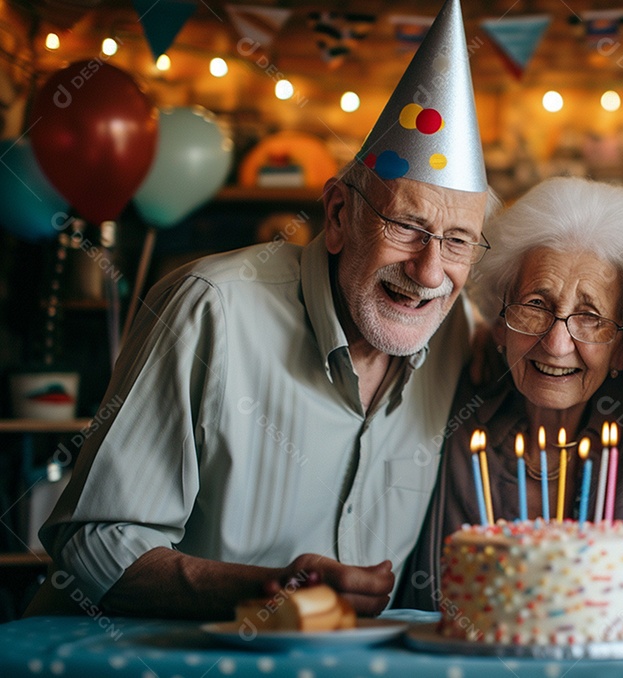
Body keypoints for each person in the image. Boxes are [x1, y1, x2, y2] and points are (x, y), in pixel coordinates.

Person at [30, 0, 495, 620]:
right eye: (406, 226)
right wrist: (265, 590)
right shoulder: (209, 309)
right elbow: (90, 540)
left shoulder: (456, 333)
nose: (430, 271)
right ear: (337, 216)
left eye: (458, 240)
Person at [398, 176, 623, 610]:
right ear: (499, 321)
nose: (557, 344)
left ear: (622, 347)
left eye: (591, 317)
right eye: (536, 305)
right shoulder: (452, 391)